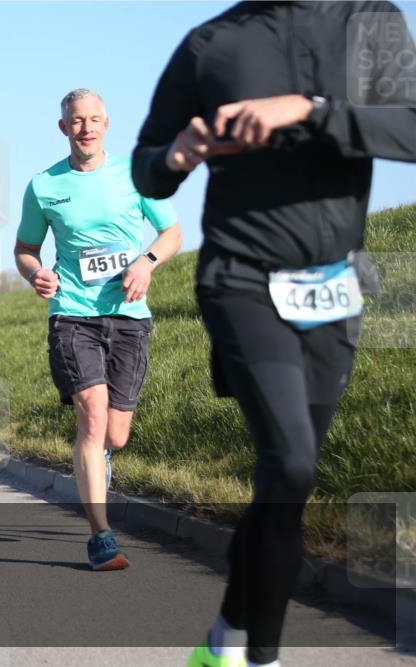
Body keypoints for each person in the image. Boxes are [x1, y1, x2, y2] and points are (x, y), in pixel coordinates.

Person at [130, 4, 416, 666]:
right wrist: (178, 153)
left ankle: (226, 636)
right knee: (289, 460)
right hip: (241, 274)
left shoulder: (372, 21)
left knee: (286, 484)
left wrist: (307, 109)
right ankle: (262, 658)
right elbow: (147, 164)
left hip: (336, 283)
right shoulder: (210, 44)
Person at [15, 88, 181, 571]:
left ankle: (101, 463)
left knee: (117, 433)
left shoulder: (135, 175)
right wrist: (35, 273)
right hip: (72, 313)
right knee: (91, 414)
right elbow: (25, 248)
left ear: (106, 124)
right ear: (63, 127)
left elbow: (171, 233)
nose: (85, 127)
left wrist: (147, 263)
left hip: (128, 317)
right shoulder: (44, 185)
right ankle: (101, 535)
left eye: (93, 119)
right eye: (76, 121)